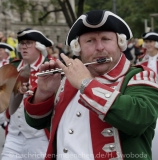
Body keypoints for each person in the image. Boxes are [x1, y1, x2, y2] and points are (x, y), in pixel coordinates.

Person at [24, 10, 158, 160]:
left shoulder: (139, 76)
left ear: (120, 44)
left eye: (106, 39)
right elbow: (35, 123)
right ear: (78, 48)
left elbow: (138, 119)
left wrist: (86, 83)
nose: (99, 47)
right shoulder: (65, 80)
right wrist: (43, 93)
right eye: (90, 41)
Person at [1, 28, 54, 160]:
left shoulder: (51, 68)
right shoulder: (12, 68)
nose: (24, 47)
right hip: (13, 135)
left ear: (39, 46)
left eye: (29, 43)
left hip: (40, 137)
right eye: (22, 43)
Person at [138, 31, 158, 160]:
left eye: (150, 41)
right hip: (148, 98)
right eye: (146, 41)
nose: (147, 44)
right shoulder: (141, 60)